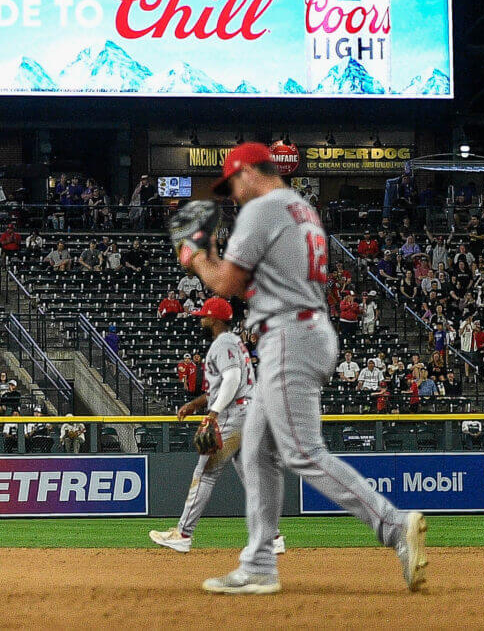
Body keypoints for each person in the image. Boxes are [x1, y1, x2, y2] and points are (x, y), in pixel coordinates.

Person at [175, 143, 426, 595]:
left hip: (290, 335)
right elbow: (259, 277)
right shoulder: (299, 207)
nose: (231, 194)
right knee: (256, 451)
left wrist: (198, 257)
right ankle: (258, 565)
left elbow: (229, 284)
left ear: (250, 172)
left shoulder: (262, 208)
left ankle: (394, 525)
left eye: (232, 181)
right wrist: (211, 251)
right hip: (302, 329)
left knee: (301, 453)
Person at [150, 297, 282, 559]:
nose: (201, 319)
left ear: (216, 319)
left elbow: (232, 380)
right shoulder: (234, 342)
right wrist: (195, 404)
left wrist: (212, 415)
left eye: (205, 316)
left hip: (234, 415)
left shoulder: (223, 343)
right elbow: (225, 386)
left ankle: (183, 535)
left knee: (206, 473)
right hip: (249, 412)